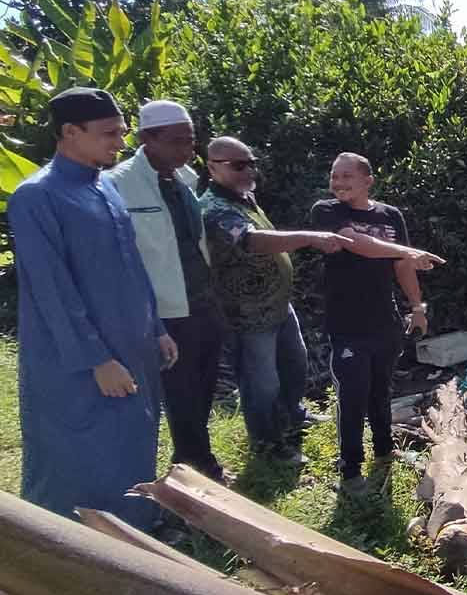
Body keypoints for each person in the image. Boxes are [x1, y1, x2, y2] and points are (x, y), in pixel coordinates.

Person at [8, 87, 177, 530]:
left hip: (132, 343)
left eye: (120, 133)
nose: (119, 143)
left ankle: (135, 526)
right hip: (75, 359)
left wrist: (156, 328)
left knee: (133, 437)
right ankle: (65, 543)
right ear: (69, 132)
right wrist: (96, 358)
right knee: (75, 446)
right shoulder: (37, 196)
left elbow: (132, 267)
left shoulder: (104, 186)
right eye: (108, 134)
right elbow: (51, 290)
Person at [200, 137, 359, 463]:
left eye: (251, 163)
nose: (249, 170)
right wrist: (310, 238)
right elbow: (251, 241)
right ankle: (268, 445)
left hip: (276, 304)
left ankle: (293, 415)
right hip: (247, 313)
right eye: (239, 165)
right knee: (261, 383)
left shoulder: (243, 198)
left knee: (294, 363)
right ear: (212, 167)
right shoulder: (214, 208)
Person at [108, 100, 229, 482]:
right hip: (165, 309)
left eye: (190, 140)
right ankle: (197, 468)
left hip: (202, 299)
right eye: (177, 141)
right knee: (181, 392)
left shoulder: (183, 179)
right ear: (147, 139)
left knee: (204, 384)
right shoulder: (118, 184)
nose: (186, 150)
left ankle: (193, 458)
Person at [310, 151, 443, 498]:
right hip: (347, 324)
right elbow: (359, 244)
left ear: (367, 180)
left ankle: (385, 451)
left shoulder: (390, 215)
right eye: (334, 176)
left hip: (385, 321)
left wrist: (417, 307)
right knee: (352, 397)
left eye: (346, 176)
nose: (338, 183)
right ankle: (350, 471)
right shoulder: (326, 211)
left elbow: (401, 264)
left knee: (381, 391)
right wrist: (406, 252)